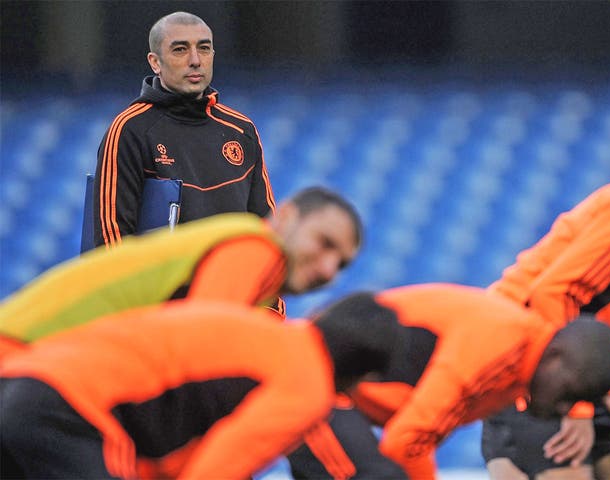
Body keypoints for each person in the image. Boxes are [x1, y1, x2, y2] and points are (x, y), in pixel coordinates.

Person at [0, 293, 405, 479]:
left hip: (21, 378)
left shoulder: (256, 327)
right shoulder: (307, 386)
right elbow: (217, 469)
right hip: (74, 410)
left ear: (320, 314)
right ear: (361, 378)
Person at [286, 283, 610, 480]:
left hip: (339, 399)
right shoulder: (500, 346)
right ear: (557, 358)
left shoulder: (522, 365)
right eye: (569, 395)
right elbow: (406, 441)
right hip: (309, 383)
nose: (563, 410)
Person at [0, 186, 362, 358]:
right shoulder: (255, 247)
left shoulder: (245, 254)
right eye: (325, 243)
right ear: (284, 217)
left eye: (342, 264)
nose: (329, 269)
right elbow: (201, 351)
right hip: (24, 352)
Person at [481, 173, 610, 480]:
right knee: (566, 465)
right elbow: (553, 293)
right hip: (525, 350)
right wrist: (578, 404)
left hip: (582, 359)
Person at [93, 11, 275, 247]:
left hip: (230, 283)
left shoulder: (241, 129)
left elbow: (266, 227)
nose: (195, 60)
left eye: (204, 48)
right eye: (180, 49)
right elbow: (111, 241)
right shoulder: (129, 130)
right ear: (155, 62)